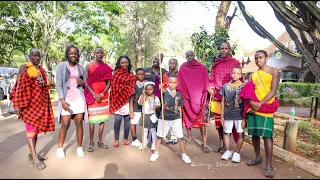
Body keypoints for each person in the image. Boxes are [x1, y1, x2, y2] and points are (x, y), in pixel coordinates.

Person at [10, 48, 55, 170]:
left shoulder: (41, 70)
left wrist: (47, 84)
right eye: (33, 55)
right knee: (30, 131)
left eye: (38, 56)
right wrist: (17, 104)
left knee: (35, 132)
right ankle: (35, 158)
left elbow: (44, 86)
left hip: (39, 106)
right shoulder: (24, 67)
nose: (36, 58)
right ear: (29, 56)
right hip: (28, 106)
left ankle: (32, 153)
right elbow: (19, 85)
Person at [240, 50, 279, 178]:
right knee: (255, 134)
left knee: (267, 136)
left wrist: (260, 103)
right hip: (253, 108)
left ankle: (268, 165)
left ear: (266, 58)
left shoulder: (274, 71)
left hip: (266, 107)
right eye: (256, 58)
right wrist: (252, 103)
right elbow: (248, 92)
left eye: (260, 57)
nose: (258, 60)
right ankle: (257, 158)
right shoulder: (253, 75)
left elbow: (273, 91)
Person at [149, 74, 192, 163]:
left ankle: (184, 154)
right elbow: (163, 91)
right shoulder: (164, 92)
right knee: (159, 136)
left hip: (176, 118)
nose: (172, 84)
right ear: (167, 83)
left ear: (177, 83)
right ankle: (155, 153)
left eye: (174, 83)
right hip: (164, 118)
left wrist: (180, 119)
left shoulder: (179, 94)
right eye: (170, 82)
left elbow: (180, 107)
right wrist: (160, 87)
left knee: (180, 137)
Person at [208, 42, 241, 153]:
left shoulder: (235, 63)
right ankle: (222, 144)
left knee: (230, 122)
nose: (223, 50)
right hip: (218, 96)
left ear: (229, 49)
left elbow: (239, 79)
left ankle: (228, 145)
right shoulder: (216, 64)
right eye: (222, 48)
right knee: (219, 123)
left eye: (226, 48)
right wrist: (211, 86)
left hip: (231, 98)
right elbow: (211, 78)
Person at [56, 45, 88, 159]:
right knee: (65, 124)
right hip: (67, 99)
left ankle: (80, 147)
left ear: (78, 55)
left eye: (75, 53)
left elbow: (85, 84)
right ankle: (60, 148)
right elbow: (58, 84)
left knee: (79, 123)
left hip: (78, 99)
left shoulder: (81, 68)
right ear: (67, 54)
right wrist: (62, 100)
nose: (73, 55)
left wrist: (82, 83)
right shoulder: (61, 66)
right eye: (71, 53)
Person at [177, 50, 211, 153]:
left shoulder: (201, 67)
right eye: (187, 56)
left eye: (191, 55)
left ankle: (204, 142)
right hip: (187, 97)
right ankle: (190, 137)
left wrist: (209, 89)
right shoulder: (183, 67)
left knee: (202, 122)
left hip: (199, 98)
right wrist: (180, 92)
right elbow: (180, 81)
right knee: (187, 117)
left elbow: (206, 81)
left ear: (194, 56)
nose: (189, 57)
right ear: (185, 57)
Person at [84, 47, 113, 152]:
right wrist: (94, 94)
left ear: (103, 54)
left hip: (103, 97)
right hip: (93, 97)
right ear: (94, 54)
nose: (99, 54)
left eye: (101, 52)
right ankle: (91, 143)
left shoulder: (106, 67)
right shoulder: (89, 66)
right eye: (97, 52)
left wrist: (102, 94)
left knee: (102, 121)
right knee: (92, 121)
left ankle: (100, 141)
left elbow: (109, 82)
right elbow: (86, 82)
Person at [109, 56, 136, 147]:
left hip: (127, 101)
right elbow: (114, 88)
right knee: (117, 120)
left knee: (127, 121)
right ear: (119, 64)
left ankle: (125, 139)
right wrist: (125, 89)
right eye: (122, 63)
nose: (124, 64)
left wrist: (131, 109)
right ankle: (116, 139)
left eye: (126, 62)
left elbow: (132, 91)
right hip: (117, 100)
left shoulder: (131, 75)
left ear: (128, 63)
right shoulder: (116, 74)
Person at [220, 67, 245, 163]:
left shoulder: (244, 86)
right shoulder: (225, 86)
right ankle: (227, 151)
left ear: (241, 75)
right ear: (231, 74)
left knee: (240, 133)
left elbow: (246, 103)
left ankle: (237, 153)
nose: (235, 75)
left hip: (240, 115)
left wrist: (244, 118)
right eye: (233, 73)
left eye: (238, 73)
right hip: (228, 114)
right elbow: (222, 102)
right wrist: (222, 116)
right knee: (226, 133)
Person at [138, 82, 161, 150]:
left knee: (153, 130)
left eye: (150, 89)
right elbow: (140, 103)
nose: (149, 91)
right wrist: (143, 94)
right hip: (145, 114)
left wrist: (155, 107)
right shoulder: (143, 97)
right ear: (145, 90)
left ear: (153, 90)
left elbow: (158, 106)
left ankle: (154, 143)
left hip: (152, 115)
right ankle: (144, 142)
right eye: (147, 89)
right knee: (144, 130)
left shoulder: (156, 98)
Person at [130, 68, 147, 147]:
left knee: (146, 123)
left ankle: (145, 138)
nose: (141, 76)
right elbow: (131, 97)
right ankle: (134, 139)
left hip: (145, 107)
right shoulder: (133, 84)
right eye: (139, 74)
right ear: (136, 75)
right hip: (135, 106)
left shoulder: (147, 84)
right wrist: (131, 110)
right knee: (133, 123)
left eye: (143, 74)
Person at [166, 58, 179, 144]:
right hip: (168, 96)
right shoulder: (166, 74)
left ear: (176, 65)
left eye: (174, 64)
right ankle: (172, 136)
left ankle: (175, 136)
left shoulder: (179, 74)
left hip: (177, 96)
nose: (172, 65)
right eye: (170, 63)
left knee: (176, 115)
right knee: (169, 114)